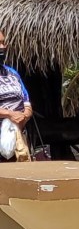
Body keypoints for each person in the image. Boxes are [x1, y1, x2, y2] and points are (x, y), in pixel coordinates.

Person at [0, 29, 34, 161]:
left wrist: (24, 115)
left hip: (17, 136)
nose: (2, 47)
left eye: (3, 43)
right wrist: (10, 114)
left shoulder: (12, 73)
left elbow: (26, 100)